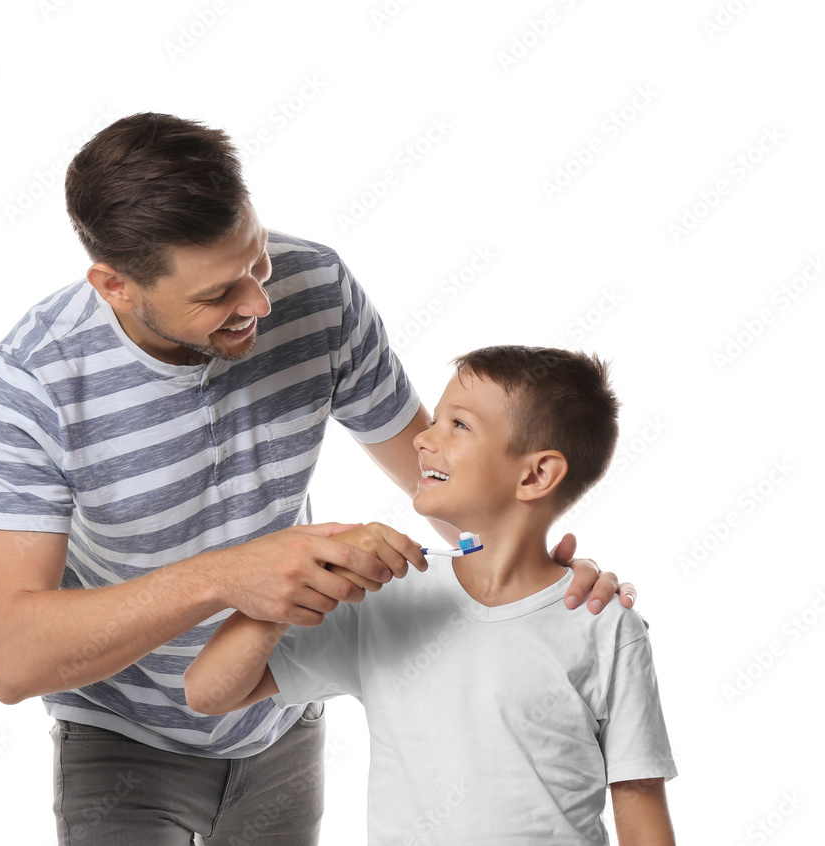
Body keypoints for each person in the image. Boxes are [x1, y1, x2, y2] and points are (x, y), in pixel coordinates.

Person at [0, 112, 633, 845]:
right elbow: (9, 657)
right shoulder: (36, 378)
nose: (259, 302)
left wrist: (543, 581)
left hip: (281, 720)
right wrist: (225, 577)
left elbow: (439, 476)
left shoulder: (317, 288)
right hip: (122, 738)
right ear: (115, 285)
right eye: (220, 294)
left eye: (257, 260)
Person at [185, 346, 676, 845]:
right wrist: (301, 579)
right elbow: (208, 691)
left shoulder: (606, 625)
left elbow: (638, 801)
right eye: (435, 419)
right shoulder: (384, 599)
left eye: (458, 425)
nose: (422, 438)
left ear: (536, 475)